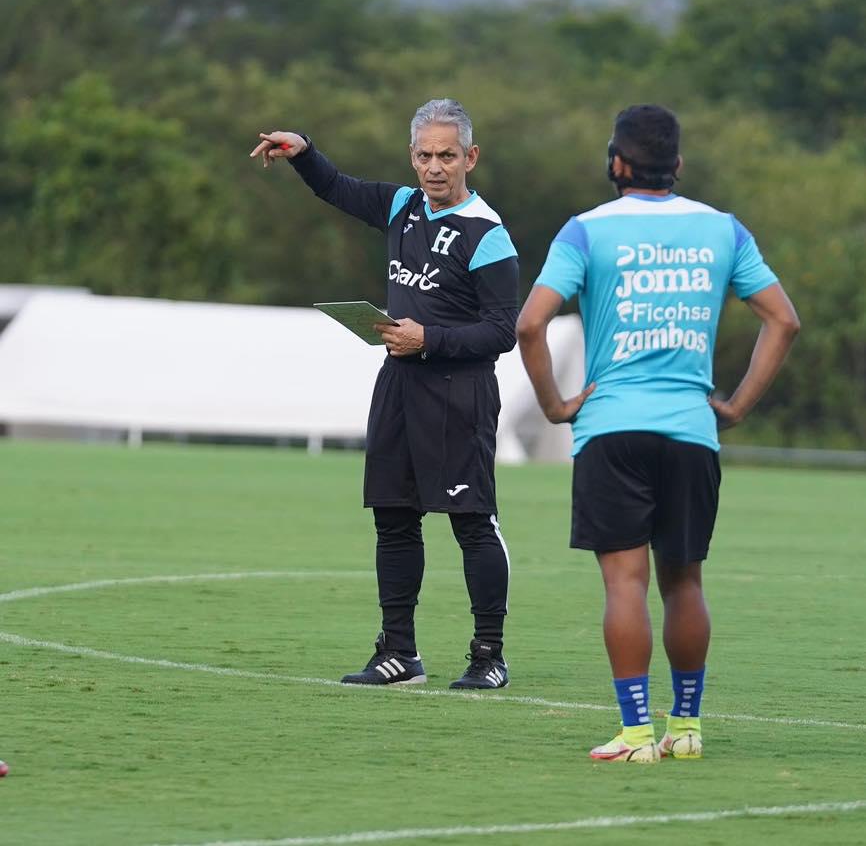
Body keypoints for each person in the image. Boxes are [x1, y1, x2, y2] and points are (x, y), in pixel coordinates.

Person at [516, 104, 799, 762]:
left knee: (625, 584)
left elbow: (530, 324)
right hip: (691, 431)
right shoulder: (723, 229)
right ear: (677, 164)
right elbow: (783, 320)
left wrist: (556, 406)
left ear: (616, 162)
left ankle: (638, 734)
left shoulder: (585, 231)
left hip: (611, 427)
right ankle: (688, 728)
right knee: (685, 583)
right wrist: (736, 406)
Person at [250, 99, 518, 689]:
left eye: (447, 155)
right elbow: (337, 188)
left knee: (472, 523)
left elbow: (503, 332)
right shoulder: (402, 206)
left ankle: (489, 656)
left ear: (470, 158)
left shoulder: (488, 234)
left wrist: (430, 338)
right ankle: (399, 653)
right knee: (394, 519)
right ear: (412, 157)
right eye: (424, 155)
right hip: (399, 385)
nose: (434, 167)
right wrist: (303, 152)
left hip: (461, 393)